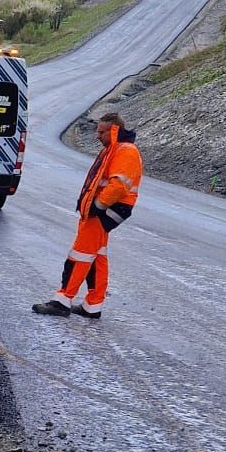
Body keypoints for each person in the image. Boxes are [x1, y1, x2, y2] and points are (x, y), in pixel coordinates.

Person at [32, 110, 143, 320]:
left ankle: (62, 301)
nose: (96, 135)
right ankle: (93, 305)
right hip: (104, 212)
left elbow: (119, 185)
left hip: (104, 212)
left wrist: (97, 206)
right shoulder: (114, 149)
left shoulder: (125, 151)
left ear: (114, 130)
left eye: (101, 131)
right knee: (97, 256)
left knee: (80, 254)